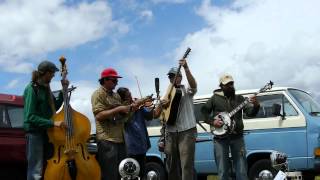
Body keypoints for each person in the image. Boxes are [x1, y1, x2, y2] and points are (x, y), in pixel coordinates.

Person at [201, 74, 260, 180]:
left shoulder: (240, 99)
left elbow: (250, 113)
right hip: (220, 139)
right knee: (223, 171)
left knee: (241, 170)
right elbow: (203, 112)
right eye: (227, 84)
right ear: (221, 86)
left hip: (238, 137)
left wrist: (256, 106)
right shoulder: (214, 99)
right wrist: (212, 121)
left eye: (231, 83)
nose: (230, 86)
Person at [23, 60, 67, 180]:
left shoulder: (46, 89)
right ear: (46, 73)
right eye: (52, 73)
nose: (53, 75)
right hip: (35, 133)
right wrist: (53, 123)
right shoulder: (31, 89)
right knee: (35, 170)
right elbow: (30, 117)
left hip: (47, 133)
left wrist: (64, 91)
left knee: (48, 167)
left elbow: (55, 107)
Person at [91, 68, 133, 180]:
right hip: (107, 140)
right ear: (105, 80)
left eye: (116, 80)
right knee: (109, 175)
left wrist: (131, 108)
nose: (116, 83)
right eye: (114, 80)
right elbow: (99, 115)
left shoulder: (116, 96)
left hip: (120, 139)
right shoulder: (97, 94)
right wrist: (119, 108)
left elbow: (121, 118)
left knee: (122, 173)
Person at [117, 87, 163, 179]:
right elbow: (125, 119)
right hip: (130, 147)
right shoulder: (121, 109)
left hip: (141, 145)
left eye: (130, 94)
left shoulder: (139, 106)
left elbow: (150, 116)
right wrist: (136, 106)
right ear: (123, 99)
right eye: (128, 96)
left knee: (142, 173)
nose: (131, 97)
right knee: (131, 174)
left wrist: (157, 105)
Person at [163, 59, 197, 180]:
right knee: (171, 164)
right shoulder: (167, 92)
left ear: (180, 77)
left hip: (187, 131)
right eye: (170, 77)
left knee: (186, 164)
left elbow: (193, 86)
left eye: (175, 76)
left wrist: (186, 68)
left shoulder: (186, 90)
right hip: (171, 132)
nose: (172, 78)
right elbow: (163, 115)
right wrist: (163, 105)